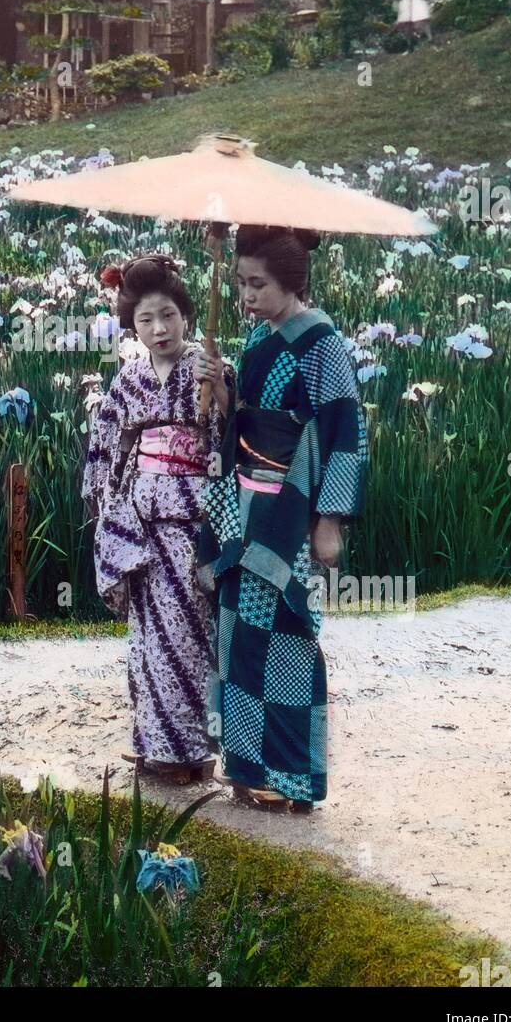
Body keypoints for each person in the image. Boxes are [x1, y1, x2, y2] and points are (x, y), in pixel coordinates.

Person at [197, 225, 367, 812]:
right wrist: (221, 395)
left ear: (292, 281)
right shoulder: (257, 339)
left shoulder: (321, 342)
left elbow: (345, 431)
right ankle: (245, 765)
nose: (245, 295)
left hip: (287, 510)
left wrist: (330, 519)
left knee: (284, 634)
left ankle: (290, 772)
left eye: (258, 284)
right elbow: (242, 417)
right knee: (238, 631)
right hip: (242, 504)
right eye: (240, 282)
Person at [81, 254, 235, 783]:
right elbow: (108, 442)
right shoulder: (129, 379)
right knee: (147, 633)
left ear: (187, 315)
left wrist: (223, 395)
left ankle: (188, 750)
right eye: (145, 320)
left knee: (187, 629)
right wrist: (108, 502)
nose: (159, 328)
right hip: (142, 515)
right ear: (131, 326)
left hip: (191, 514)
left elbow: (231, 438)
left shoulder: (208, 367)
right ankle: (152, 739)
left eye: (168, 315)